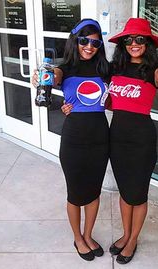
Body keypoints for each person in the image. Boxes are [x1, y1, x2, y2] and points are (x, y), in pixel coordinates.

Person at [62, 17, 158, 264]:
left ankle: (133, 239)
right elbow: (100, 97)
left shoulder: (151, 71)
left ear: (148, 43)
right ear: (123, 43)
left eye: (140, 39)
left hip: (141, 141)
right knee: (125, 192)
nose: (134, 43)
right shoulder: (114, 69)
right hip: (114, 140)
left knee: (138, 194)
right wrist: (66, 105)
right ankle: (126, 235)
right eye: (129, 39)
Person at [32, 18, 110, 261]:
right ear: (75, 41)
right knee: (75, 193)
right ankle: (78, 238)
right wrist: (41, 77)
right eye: (84, 41)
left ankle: (88, 234)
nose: (89, 46)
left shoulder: (105, 68)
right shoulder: (65, 68)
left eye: (95, 43)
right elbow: (52, 77)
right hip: (74, 139)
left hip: (100, 137)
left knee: (94, 192)